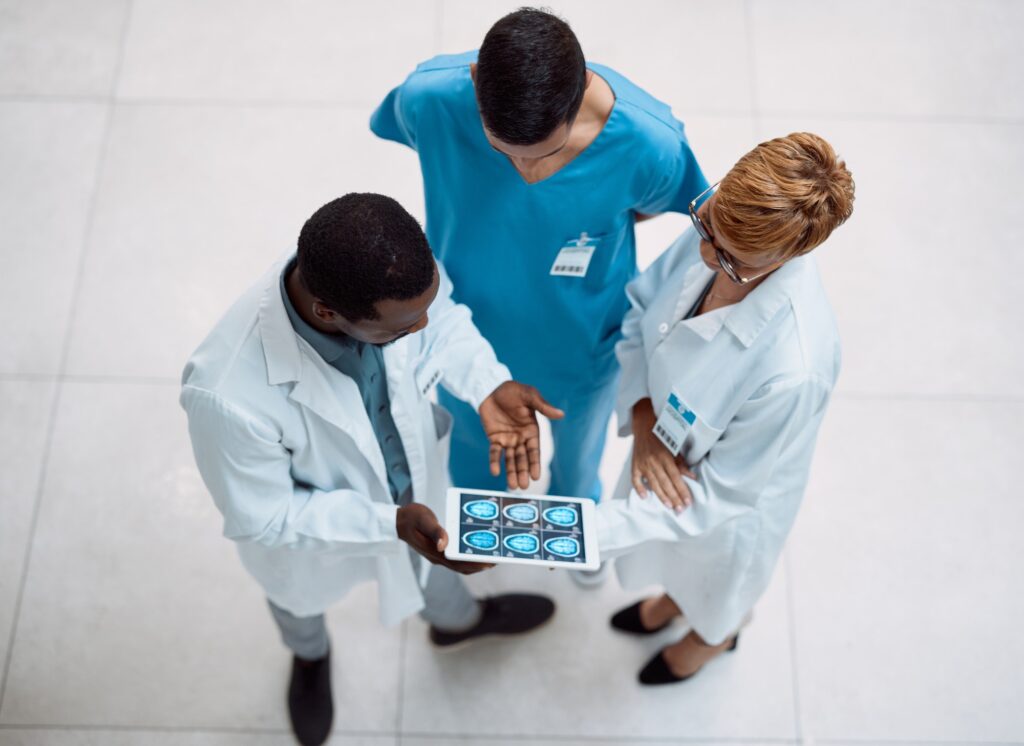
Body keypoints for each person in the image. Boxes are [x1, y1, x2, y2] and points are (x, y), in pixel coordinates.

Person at [180, 193, 564, 745]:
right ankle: (310, 659)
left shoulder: (394, 270)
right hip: (313, 542)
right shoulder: (226, 393)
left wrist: (487, 383)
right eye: (403, 328)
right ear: (327, 314)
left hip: (413, 476)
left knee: (436, 568)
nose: (423, 324)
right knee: (300, 604)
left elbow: (443, 321)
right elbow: (265, 517)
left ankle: (458, 625)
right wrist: (388, 525)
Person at [369, 9, 707, 539]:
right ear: (478, 84)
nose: (527, 173)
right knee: (475, 452)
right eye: (505, 153)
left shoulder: (650, 145)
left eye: (548, 154)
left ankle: (579, 530)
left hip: (584, 338)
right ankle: (482, 543)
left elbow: (661, 204)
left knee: (579, 458)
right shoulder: (428, 100)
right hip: (466, 329)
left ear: (581, 92)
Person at [597, 133, 855, 685]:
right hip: (663, 447)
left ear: (789, 255)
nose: (706, 256)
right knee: (669, 564)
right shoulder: (720, 235)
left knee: (716, 588)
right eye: (706, 227)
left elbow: (721, 495)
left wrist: (591, 533)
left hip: (731, 505)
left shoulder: (794, 366)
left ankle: (711, 639)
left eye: (732, 260)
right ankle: (673, 602)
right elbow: (644, 310)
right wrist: (642, 411)